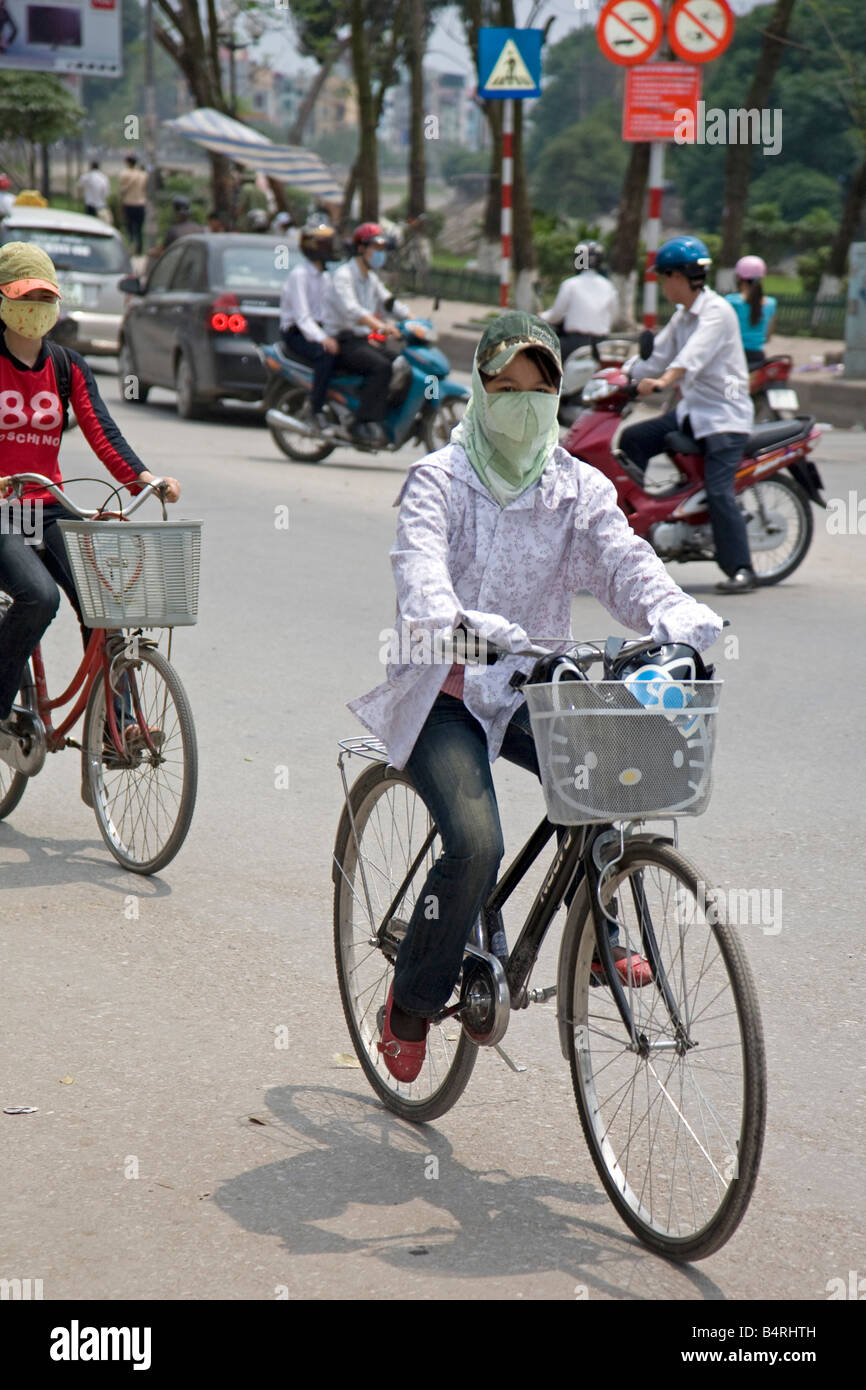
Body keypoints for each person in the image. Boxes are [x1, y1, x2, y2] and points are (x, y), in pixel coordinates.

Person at [347, 311, 724, 1081]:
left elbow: (628, 565)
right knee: (476, 844)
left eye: (539, 388)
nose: (522, 403)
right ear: (481, 390)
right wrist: (463, 627)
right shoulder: (438, 480)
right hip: (446, 688)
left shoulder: (576, 487)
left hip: (534, 686)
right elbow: (421, 583)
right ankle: (411, 1001)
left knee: (612, 777)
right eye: (505, 387)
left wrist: (682, 625)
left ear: (559, 395)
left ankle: (597, 932)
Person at [0, 242, 181, 769]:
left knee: (109, 599)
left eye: (44, 296)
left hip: (49, 504)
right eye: (23, 296)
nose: (35, 307)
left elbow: (103, 431)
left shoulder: (65, 365)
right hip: (3, 509)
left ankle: (117, 725)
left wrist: (145, 478)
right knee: (38, 597)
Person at [620, 236, 757, 596]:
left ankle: (741, 567)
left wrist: (664, 381)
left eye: (664, 277)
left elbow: (690, 358)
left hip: (724, 419)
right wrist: (619, 375)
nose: (663, 285)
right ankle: (640, 527)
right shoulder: (682, 317)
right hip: (690, 413)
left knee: (719, 491)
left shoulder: (716, 312)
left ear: (679, 276)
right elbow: (655, 357)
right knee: (633, 439)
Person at [320, 222, 410, 448]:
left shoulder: (371, 278)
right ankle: (361, 422)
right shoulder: (344, 275)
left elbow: (389, 302)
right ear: (361, 248)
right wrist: (380, 326)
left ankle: (382, 413)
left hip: (361, 340)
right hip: (342, 340)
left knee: (403, 364)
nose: (380, 254)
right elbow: (352, 310)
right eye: (375, 248)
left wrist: (412, 319)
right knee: (381, 367)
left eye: (382, 250)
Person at [279, 221, 339, 432]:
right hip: (296, 332)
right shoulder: (299, 275)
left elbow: (331, 311)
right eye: (326, 244)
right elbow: (303, 317)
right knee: (325, 354)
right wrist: (324, 340)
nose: (330, 249)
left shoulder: (325, 276)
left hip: (318, 328)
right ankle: (316, 410)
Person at [540, 240, 619, 361]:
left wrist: (542, 316)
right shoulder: (609, 286)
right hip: (602, 345)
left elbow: (556, 315)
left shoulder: (570, 284)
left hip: (574, 344)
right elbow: (613, 317)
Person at [726, 255, 776, 366]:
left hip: (734, 357)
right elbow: (768, 336)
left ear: (739, 278)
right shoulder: (771, 303)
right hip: (758, 358)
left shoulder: (731, 301)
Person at [119, 156, 148, 255]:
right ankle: (139, 250)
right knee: (139, 229)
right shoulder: (143, 175)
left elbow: (122, 190)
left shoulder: (125, 174)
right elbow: (145, 189)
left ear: (128, 163)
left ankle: (131, 248)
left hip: (129, 203)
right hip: (141, 204)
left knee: (130, 228)